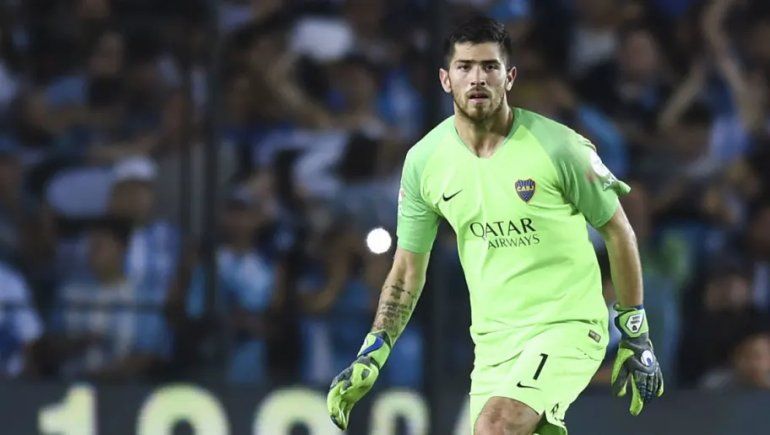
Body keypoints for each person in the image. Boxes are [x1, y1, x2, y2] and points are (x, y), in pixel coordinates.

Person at [326, 16, 663, 434]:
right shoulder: (425, 161)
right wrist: (373, 351)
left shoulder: (559, 147)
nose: (477, 78)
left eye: (490, 66)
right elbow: (407, 268)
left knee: (497, 425)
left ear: (510, 77)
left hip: (567, 327)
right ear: (445, 79)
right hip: (493, 346)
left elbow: (618, 230)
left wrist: (635, 332)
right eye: (464, 67)